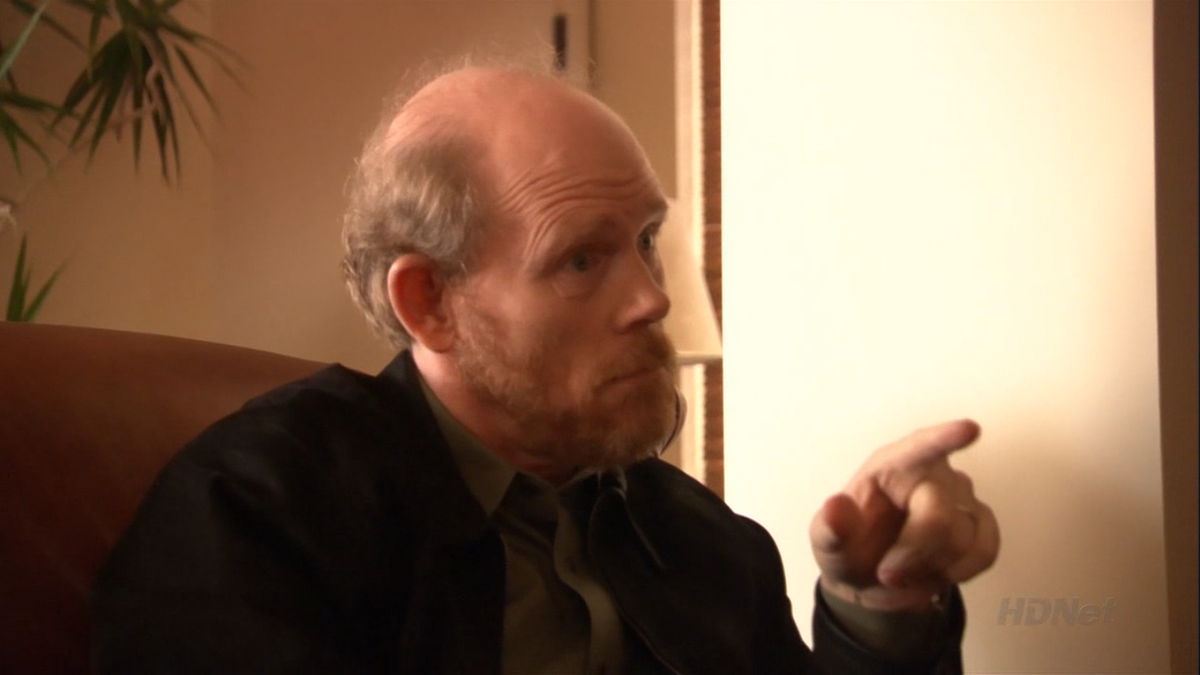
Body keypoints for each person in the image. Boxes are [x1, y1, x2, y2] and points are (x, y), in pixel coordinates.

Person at [91, 63, 1000, 673]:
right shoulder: (255, 514)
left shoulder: (700, 541)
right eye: (580, 259)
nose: (652, 298)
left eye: (645, 240)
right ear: (430, 302)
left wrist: (874, 606)